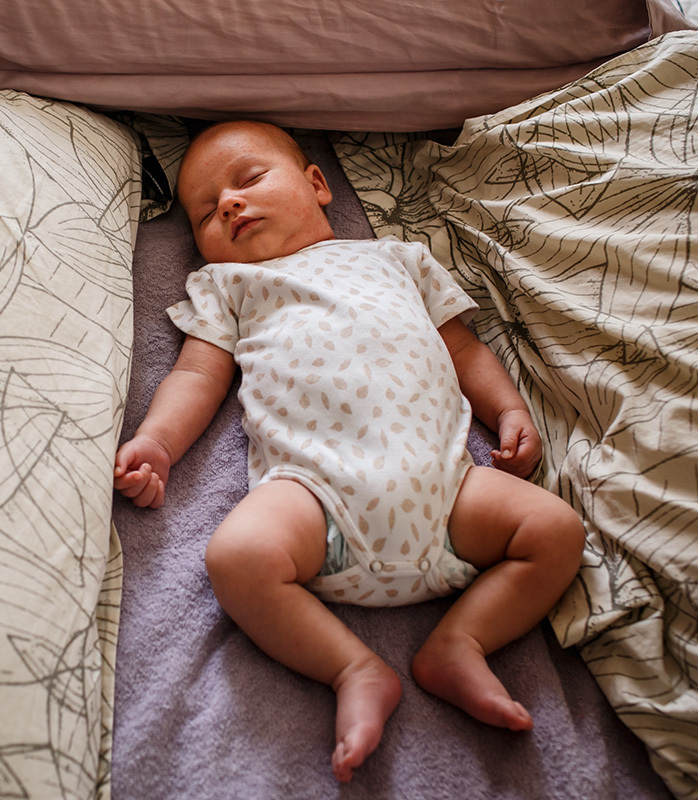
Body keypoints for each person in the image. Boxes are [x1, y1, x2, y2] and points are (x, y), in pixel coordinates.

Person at [113, 121, 585, 783]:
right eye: (204, 211)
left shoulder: (398, 259)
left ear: (317, 184)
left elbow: (464, 350)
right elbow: (196, 377)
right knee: (236, 557)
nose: (229, 203)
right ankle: (354, 667)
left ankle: (460, 642)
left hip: (446, 492)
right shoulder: (230, 288)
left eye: (247, 179)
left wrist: (507, 410)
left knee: (557, 530)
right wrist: (156, 443)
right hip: (315, 496)